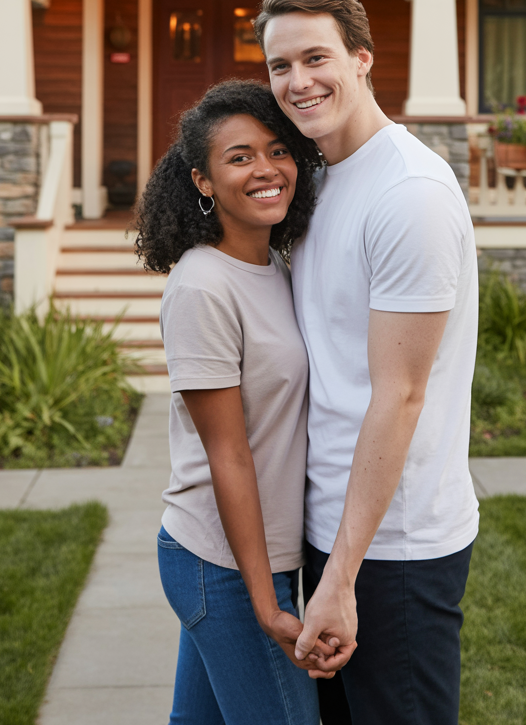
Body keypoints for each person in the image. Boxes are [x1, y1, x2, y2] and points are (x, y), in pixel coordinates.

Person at [254, 0, 479, 725]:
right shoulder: (316, 177)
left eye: (315, 58)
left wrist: (343, 575)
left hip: (394, 548)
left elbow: (400, 395)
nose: (297, 81)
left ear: (361, 59)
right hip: (332, 529)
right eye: (280, 66)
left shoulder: (409, 193)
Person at [135, 79, 344, 725]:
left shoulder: (275, 268)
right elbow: (227, 455)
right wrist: (264, 599)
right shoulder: (202, 287)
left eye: (277, 150)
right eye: (239, 156)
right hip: (222, 563)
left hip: (252, 556)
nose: (266, 169)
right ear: (202, 181)